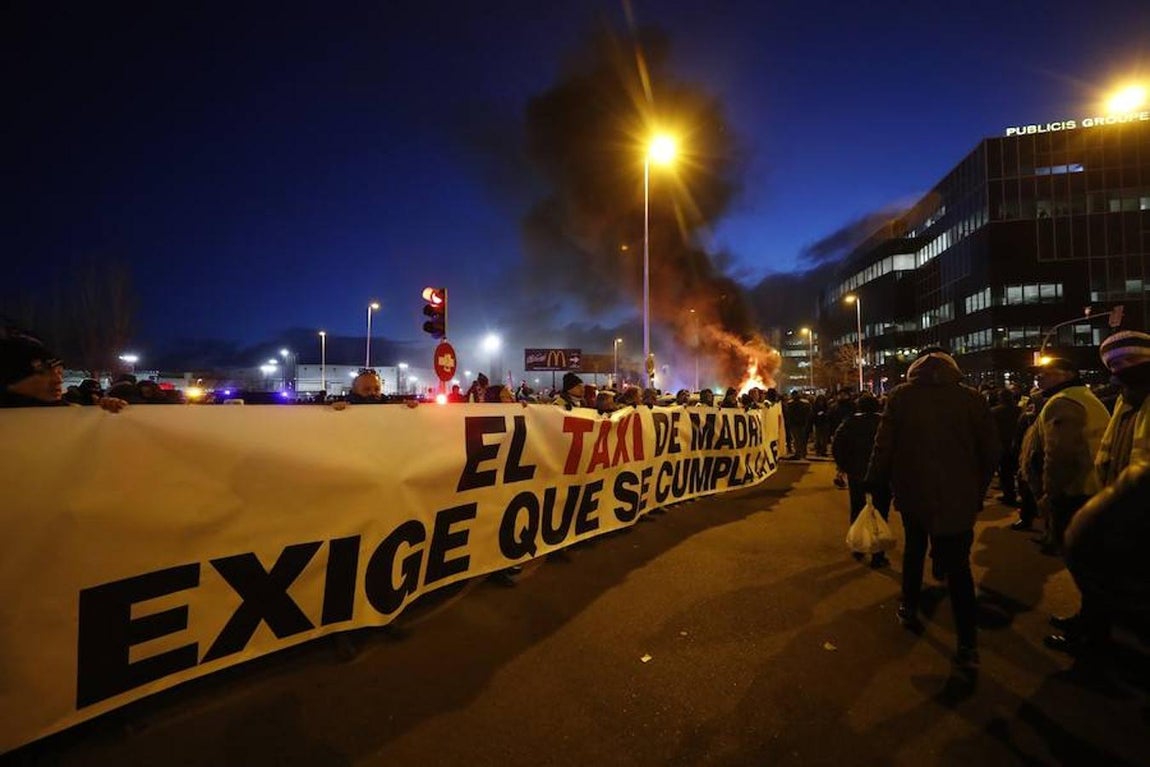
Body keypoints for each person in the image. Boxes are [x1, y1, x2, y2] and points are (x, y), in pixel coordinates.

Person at [866, 349, 999, 670]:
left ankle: (909, 608)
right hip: (959, 496)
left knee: (914, 550)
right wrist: (976, 490)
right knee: (959, 568)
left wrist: (874, 480)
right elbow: (992, 450)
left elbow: (883, 446)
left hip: (914, 492)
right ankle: (967, 642)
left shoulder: (901, 397)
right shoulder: (972, 399)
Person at [1045, 330, 1150, 654]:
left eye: (1130, 360)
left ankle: (1096, 636)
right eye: (1115, 363)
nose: (1122, 368)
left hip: (1133, 503)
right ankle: (1092, 623)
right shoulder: (1126, 397)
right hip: (1113, 495)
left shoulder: (1128, 396)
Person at [1026, 357, 1110, 553]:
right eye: (1038, 375)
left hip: (1073, 490)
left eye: (1047, 374)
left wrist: (1050, 493)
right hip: (1087, 485)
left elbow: (1060, 455)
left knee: (1074, 550)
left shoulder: (1063, 402)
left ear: (1069, 376)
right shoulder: (1081, 395)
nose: (1039, 379)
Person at [1, 327, 127, 412]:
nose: (58, 381)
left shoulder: (70, 412)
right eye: (44, 373)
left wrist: (102, 413)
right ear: (12, 380)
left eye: (60, 373)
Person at [831, 392, 891, 568]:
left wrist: (844, 466)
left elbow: (837, 445)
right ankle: (878, 554)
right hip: (881, 474)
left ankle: (858, 547)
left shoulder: (850, 423)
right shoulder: (885, 422)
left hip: (857, 474)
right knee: (880, 512)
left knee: (857, 508)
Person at [990, 387, 1022, 507]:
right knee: (1018, 472)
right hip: (1017, 444)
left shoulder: (994, 411)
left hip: (1003, 445)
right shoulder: (1020, 410)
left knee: (1006, 472)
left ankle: (1009, 496)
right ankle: (1020, 495)